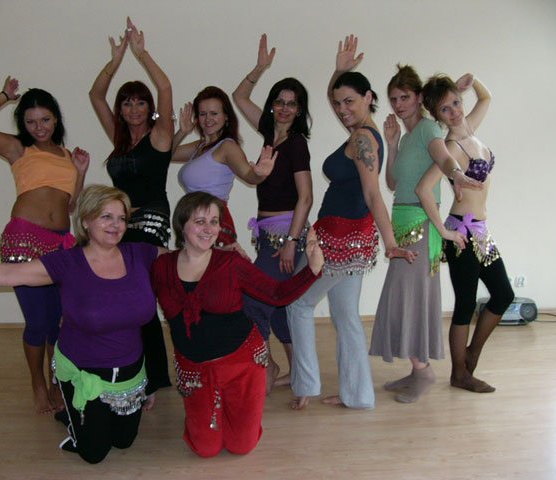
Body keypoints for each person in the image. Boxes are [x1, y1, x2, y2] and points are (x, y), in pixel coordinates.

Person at [0, 185, 162, 464]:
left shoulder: (141, 254)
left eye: (121, 218)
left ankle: (91, 418)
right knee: (94, 453)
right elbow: (8, 274)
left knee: (124, 441)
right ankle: (70, 416)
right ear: (86, 220)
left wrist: (212, 242)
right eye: (106, 217)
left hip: (130, 373)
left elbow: (186, 261)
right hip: (85, 370)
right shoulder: (68, 263)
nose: (115, 225)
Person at [286, 36, 416, 411]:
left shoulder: (362, 139)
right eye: (338, 102)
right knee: (346, 317)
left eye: (350, 101)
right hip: (353, 238)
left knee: (297, 304)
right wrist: (339, 71)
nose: (342, 109)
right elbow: (334, 98)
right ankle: (357, 395)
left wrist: (391, 243)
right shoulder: (364, 133)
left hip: (339, 238)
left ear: (368, 97)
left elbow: (374, 194)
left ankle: (306, 384)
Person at [149, 191, 323, 458]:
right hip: (194, 370)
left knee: (241, 446)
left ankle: (229, 413)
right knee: (205, 449)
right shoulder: (161, 267)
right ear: (182, 225)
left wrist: (312, 269)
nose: (209, 229)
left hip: (240, 365)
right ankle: (208, 414)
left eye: (214, 222)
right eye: (200, 221)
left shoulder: (230, 263)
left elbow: (277, 294)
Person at [0, 77, 89, 414]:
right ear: (23, 124)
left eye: (45, 119)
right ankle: (37, 383)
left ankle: (56, 381)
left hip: (61, 245)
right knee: (38, 323)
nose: (39, 127)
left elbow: (71, 205)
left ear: (56, 118)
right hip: (24, 239)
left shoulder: (66, 155)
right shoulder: (18, 149)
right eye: (31, 122)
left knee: (60, 322)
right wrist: (4, 96)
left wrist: (80, 172)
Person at [369, 63, 478, 404]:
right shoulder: (406, 136)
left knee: (411, 299)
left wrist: (456, 173)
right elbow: (392, 183)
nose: (398, 104)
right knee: (403, 298)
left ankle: (424, 371)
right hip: (403, 226)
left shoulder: (428, 128)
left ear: (418, 98)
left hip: (421, 227)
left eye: (404, 97)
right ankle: (417, 370)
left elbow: (444, 158)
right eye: (393, 99)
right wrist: (391, 144)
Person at [89, 17, 172, 394]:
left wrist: (141, 54)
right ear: (120, 109)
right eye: (127, 102)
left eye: (140, 102)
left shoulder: (160, 135)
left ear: (148, 107)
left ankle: (153, 378)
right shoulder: (119, 140)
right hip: (120, 224)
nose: (134, 108)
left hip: (150, 222)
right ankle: (139, 372)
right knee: (129, 299)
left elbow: (165, 86)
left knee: (138, 296)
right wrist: (115, 60)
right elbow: (95, 95)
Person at [416, 73, 514, 393]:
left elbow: (486, 98)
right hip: (461, 233)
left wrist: (471, 81)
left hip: (481, 232)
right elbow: (423, 189)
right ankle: (459, 373)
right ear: (437, 115)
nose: (455, 111)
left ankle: (471, 354)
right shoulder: (450, 148)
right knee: (465, 304)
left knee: (504, 294)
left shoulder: (470, 127)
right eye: (445, 109)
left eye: (456, 103)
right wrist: (443, 231)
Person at [232, 34, 313, 393]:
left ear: (299, 110)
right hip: (268, 235)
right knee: (279, 305)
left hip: (286, 236)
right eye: (279, 102)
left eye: (291, 104)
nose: (284, 108)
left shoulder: (296, 145)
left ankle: (266, 368)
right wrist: (260, 68)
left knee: (255, 300)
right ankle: (298, 373)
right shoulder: (270, 135)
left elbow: (306, 198)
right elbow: (239, 97)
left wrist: (292, 242)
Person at [172, 86, 276, 247]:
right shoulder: (199, 146)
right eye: (203, 114)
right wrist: (182, 132)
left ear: (226, 116)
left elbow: (248, 175)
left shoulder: (227, 147)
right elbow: (164, 155)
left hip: (214, 220)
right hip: (194, 218)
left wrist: (260, 174)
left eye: (214, 113)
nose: (208, 119)